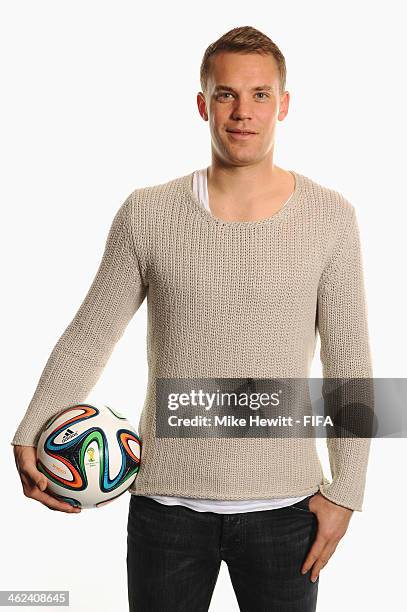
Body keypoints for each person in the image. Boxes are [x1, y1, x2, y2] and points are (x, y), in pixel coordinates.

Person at [11, 25, 373, 612]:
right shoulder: (147, 213)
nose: (243, 111)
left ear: (284, 105)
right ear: (203, 104)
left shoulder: (330, 217)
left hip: (288, 512)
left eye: (260, 95)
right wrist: (31, 426)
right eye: (226, 94)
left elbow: (349, 359)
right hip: (165, 511)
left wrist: (347, 490)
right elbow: (90, 334)